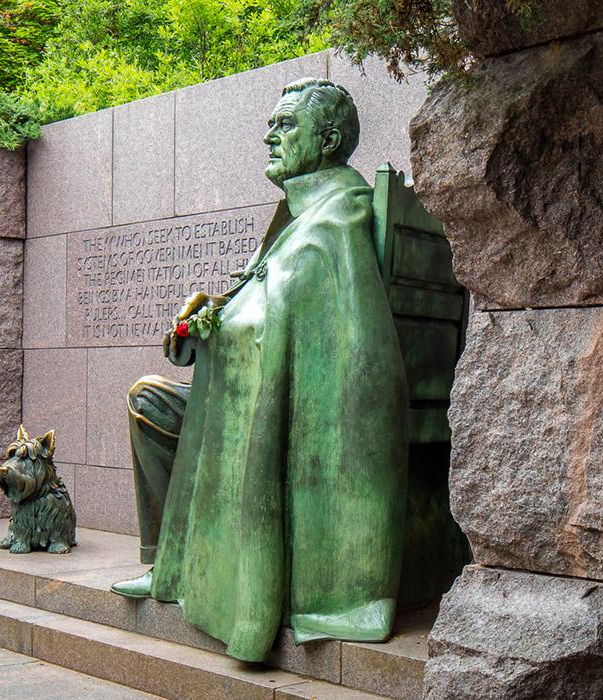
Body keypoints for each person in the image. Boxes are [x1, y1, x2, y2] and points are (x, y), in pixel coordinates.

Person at [109, 78, 411, 663]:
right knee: (147, 401)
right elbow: (255, 308)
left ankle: (224, 583)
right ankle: (171, 564)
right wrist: (202, 326)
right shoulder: (294, 218)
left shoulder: (336, 216)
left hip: (293, 416)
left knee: (178, 411)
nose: (269, 135)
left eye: (285, 125)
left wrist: (229, 329)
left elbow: (326, 330)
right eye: (271, 123)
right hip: (238, 392)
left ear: (326, 139)